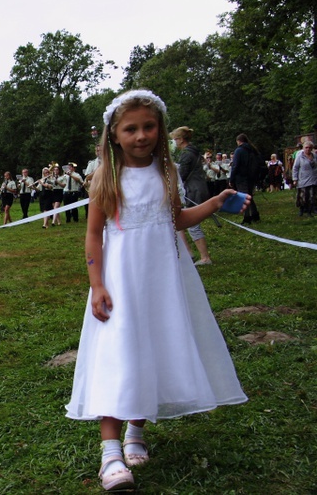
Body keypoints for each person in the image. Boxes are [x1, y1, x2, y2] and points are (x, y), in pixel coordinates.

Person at [65, 90, 249, 491]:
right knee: (121, 353)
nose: (141, 135)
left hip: (163, 280)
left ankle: (135, 431)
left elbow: (177, 219)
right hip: (121, 281)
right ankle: (110, 453)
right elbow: (93, 235)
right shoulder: (106, 178)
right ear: (115, 135)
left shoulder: (168, 174)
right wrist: (96, 284)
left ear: (161, 130)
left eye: (149, 127)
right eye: (131, 129)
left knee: (151, 348)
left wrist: (216, 202)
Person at [171, 126, 212, 266]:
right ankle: (189, 252)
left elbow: (181, 175)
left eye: (175, 139)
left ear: (181, 139)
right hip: (198, 186)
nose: (174, 142)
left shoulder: (187, 154)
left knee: (193, 224)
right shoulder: (193, 151)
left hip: (193, 189)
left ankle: (205, 257)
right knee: (182, 219)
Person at [229, 133, 261, 224]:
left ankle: (247, 216)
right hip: (251, 176)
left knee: (243, 196)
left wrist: (232, 179)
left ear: (238, 141)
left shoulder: (239, 151)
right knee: (249, 195)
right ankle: (255, 214)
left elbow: (235, 165)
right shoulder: (252, 150)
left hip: (241, 177)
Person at [292, 140, 316, 217]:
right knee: (303, 196)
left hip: (313, 178)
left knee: (312, 196)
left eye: (309, 148)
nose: (308, 149)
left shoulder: (315, 156)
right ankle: (301, 210)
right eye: (306, 147)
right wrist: (295, 179)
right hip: (303, 179)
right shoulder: (300, 157)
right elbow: (295, 168)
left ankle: (309, 211)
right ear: (303, 148)